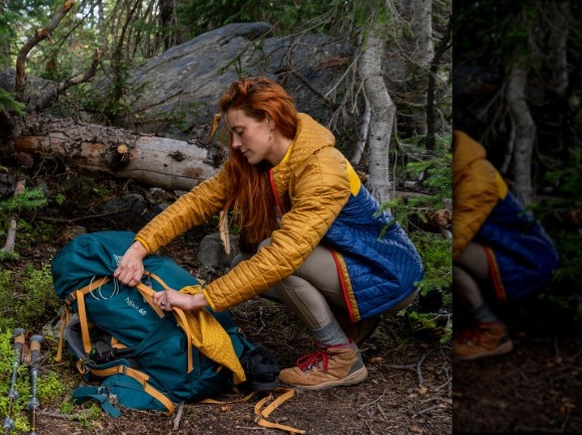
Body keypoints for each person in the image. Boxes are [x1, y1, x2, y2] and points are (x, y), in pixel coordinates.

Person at [114, 76, 424, 390]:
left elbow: (283, 256)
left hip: (388, 273)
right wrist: (140, 246)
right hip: (353, 261)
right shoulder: (261, 162)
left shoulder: (320, 167)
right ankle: (353, 319)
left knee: (270, 257)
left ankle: (341, 356)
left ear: (269, 122)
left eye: (240, 132)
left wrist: (200, 300)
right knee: (243, 262)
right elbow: (198, 201)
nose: (234, 143)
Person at [452, 131, 559, 360]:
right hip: (514, 253)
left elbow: (458, 237)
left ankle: (491, 331)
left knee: (452, 256)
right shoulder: (465, 168)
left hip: (528, 261)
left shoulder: (476, 178)